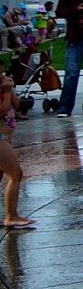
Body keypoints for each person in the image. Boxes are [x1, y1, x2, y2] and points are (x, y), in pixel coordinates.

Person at [0, 69, 29, 228]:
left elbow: (17, 105)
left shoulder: (4, 88)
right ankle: (11, 215)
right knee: (15, 173)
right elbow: (2, 110)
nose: (2, 76)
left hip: (5, 137)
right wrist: (7, 90)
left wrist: (10, 90)